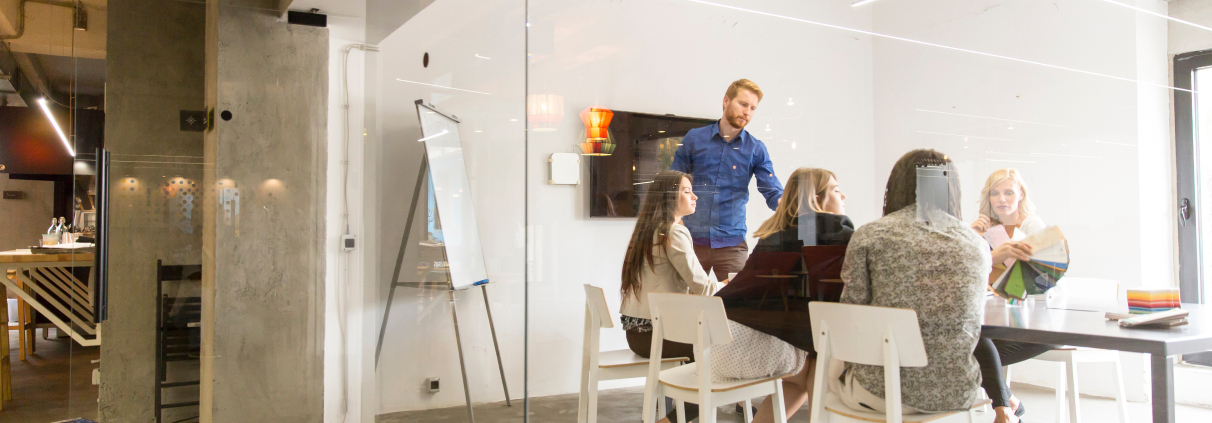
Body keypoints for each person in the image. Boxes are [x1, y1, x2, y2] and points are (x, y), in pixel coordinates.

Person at [833, 149, 989, 413]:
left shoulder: (870, 235)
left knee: (826, 368)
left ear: (897, 186)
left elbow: (851, 316)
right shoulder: (977, 243)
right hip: (957, 391)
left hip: (880, 392)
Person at [733, 167, 854, 423]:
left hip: (753, 343)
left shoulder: (773, 235)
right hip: (794, 346)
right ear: (815, 198)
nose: (843, 195)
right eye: (835, 189)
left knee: (800, 377)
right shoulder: (839, 233)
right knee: (819, 361)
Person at [670, 79, 783, 282]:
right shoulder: (694, 139)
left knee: (738, 307)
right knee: (686, 305)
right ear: (726, 101)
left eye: (753, 108)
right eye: (743, 104)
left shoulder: (756, 149)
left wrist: (791, 205)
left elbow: (773, 191)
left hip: (732, 246)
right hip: (691, 241)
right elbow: (673, 184)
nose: (747, 112)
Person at [969, 168, 1058, 423]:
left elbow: (1048, 273)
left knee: (968, 350)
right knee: (971, 343)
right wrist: (972, 236)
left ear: (1020, 194)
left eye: (1008, 192)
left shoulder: (1032, 224)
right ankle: (1007, 407)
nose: (1002, 199)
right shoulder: (985, 227)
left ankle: (1008, 406)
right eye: (995, 193)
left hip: (1041, 318)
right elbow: (969, 274)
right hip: (1001, 314)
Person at [619, 170, 725, 362]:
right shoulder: (672, 232)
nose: (694, 196)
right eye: (687, 191)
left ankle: (676, 391)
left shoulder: (648, 229)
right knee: (729, 341)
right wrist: (730, 285)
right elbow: (703, 288)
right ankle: (695, 391)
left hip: (638, 336)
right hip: (659, 338)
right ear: (668, 197)